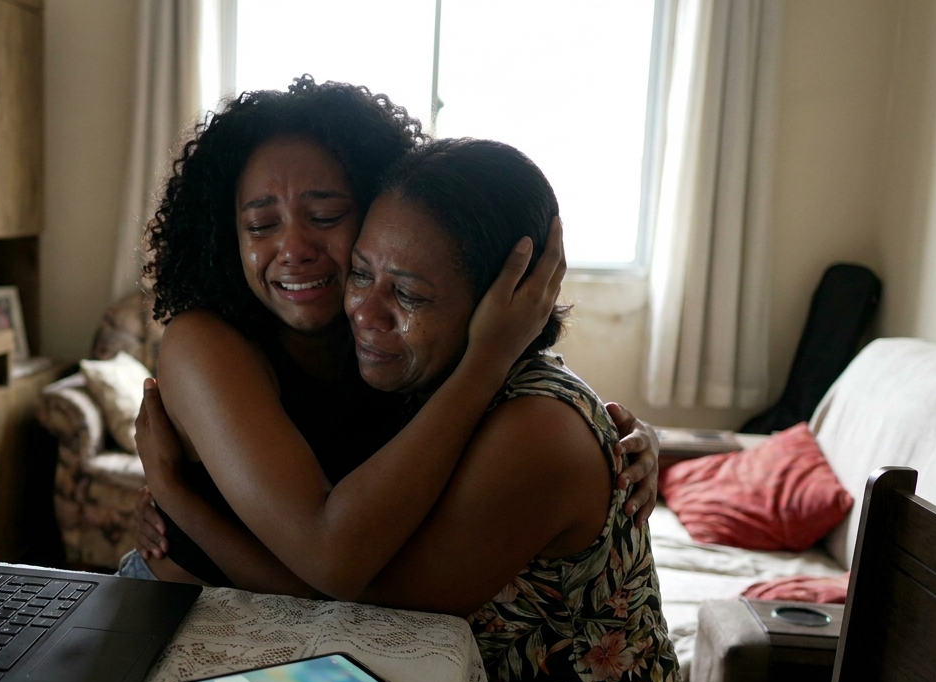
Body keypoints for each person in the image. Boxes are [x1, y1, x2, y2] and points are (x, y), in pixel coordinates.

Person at [136, 138, 712, 682]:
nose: (364, 312)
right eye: (362, 273)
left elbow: (357, 610)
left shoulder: (536, 431)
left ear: (509, 301)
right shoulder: (426, 390)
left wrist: (178, 498)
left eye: (408, 294)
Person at [120, 76, 660, 593]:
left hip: (319, 642)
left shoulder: (390, 345)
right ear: (226, 234)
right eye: (261, 226)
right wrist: (173, 495)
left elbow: (517, 426)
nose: (294, 248)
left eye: (326, 214)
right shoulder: (207, 344)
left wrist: (619, 440)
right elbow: (333, 566)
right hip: (183, 616)